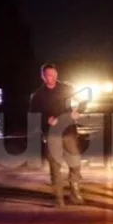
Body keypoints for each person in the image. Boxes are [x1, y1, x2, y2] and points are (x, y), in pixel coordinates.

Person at [29, 64, 85, 207]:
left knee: (75, 163)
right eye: (48, 75)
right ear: (43, 76)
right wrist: (46, 119)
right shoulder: (38, 95)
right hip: (52, 134)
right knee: (55, 166)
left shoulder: (67, 89)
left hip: (69, 132)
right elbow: (33, 116)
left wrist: (78, 111)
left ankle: (75, 191)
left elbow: (83, 100)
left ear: (57, 74)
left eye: (54, 74)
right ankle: (59, 197)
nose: (52, 77)